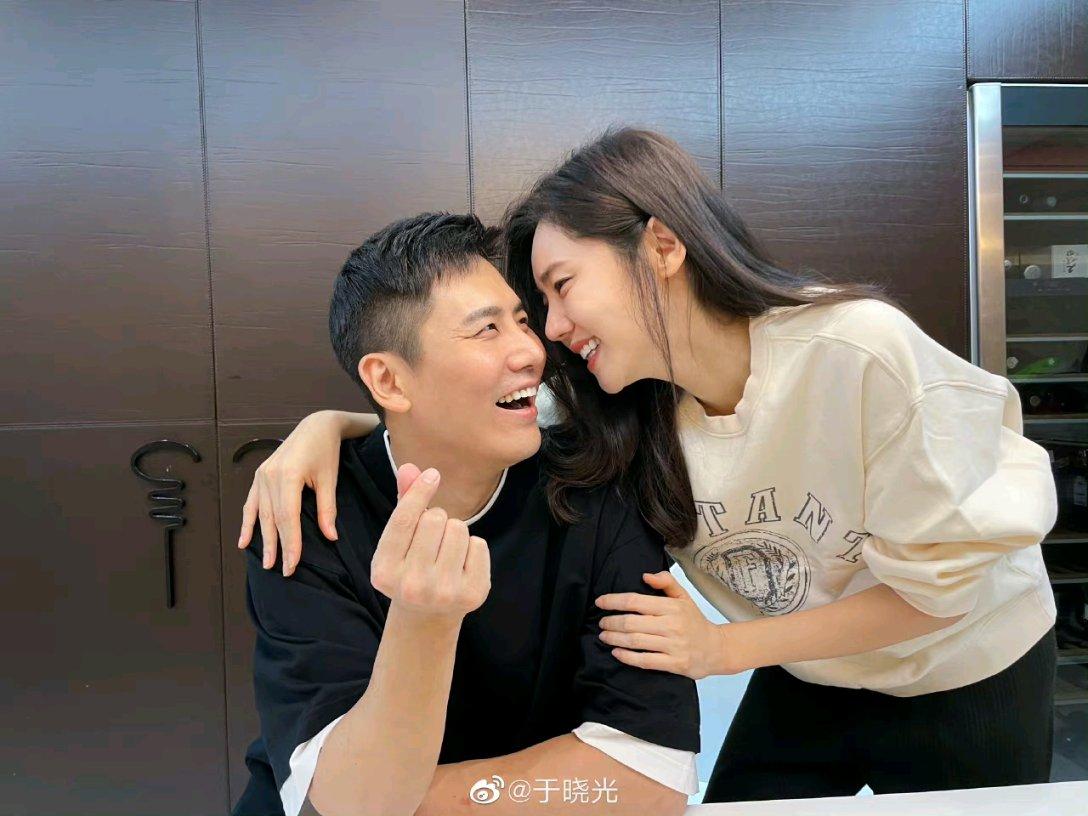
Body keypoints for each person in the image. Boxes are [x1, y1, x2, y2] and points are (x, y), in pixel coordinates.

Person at [240, 129, 1059, 801]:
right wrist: (328, 426)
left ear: (662, 246)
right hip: (809, 672)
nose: (546, 335)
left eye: (558, 289)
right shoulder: (623, 408)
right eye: (525, 312)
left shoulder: (860, 353)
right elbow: (468, 419)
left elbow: (939, 592)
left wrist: (720, 650)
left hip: (966, 667)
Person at [233, 212, 701, 816]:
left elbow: (652, 777)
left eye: (523, 321)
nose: (531, 351)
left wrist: (406, 799)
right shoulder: (304, 515)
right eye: (486, 330)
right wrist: (423, 621)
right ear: (389, 380)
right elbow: (344, 804)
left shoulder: (594, 486)